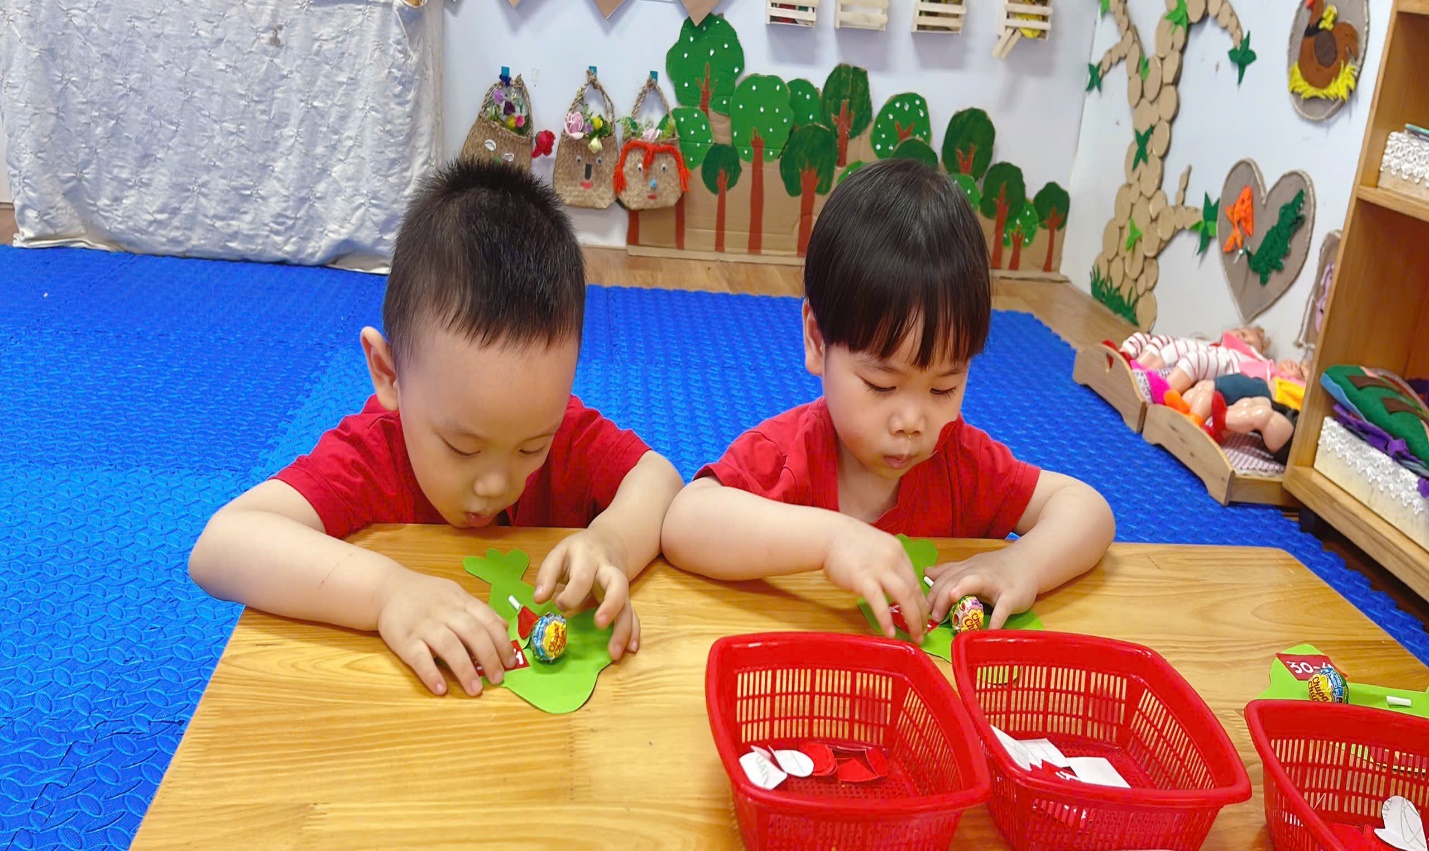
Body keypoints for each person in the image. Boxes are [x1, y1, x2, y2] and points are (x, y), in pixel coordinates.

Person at [190, 159, 682, 697]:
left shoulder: (562, 433)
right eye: (463, 447)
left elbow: (659, 478)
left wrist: (612, 543)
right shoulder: (373, 454)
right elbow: (220, 546)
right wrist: (387, 593)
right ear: (390, 374)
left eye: (530, 448)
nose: (497, 484)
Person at [661, 159, 1115, 637]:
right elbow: (684, 522)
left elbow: (1087, 509)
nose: (912, 421)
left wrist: (1021, 564)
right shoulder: (787, 456)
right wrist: (831, 541)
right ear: (817, 340)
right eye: (881, 385)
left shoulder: (959, 462)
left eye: (943, 388)